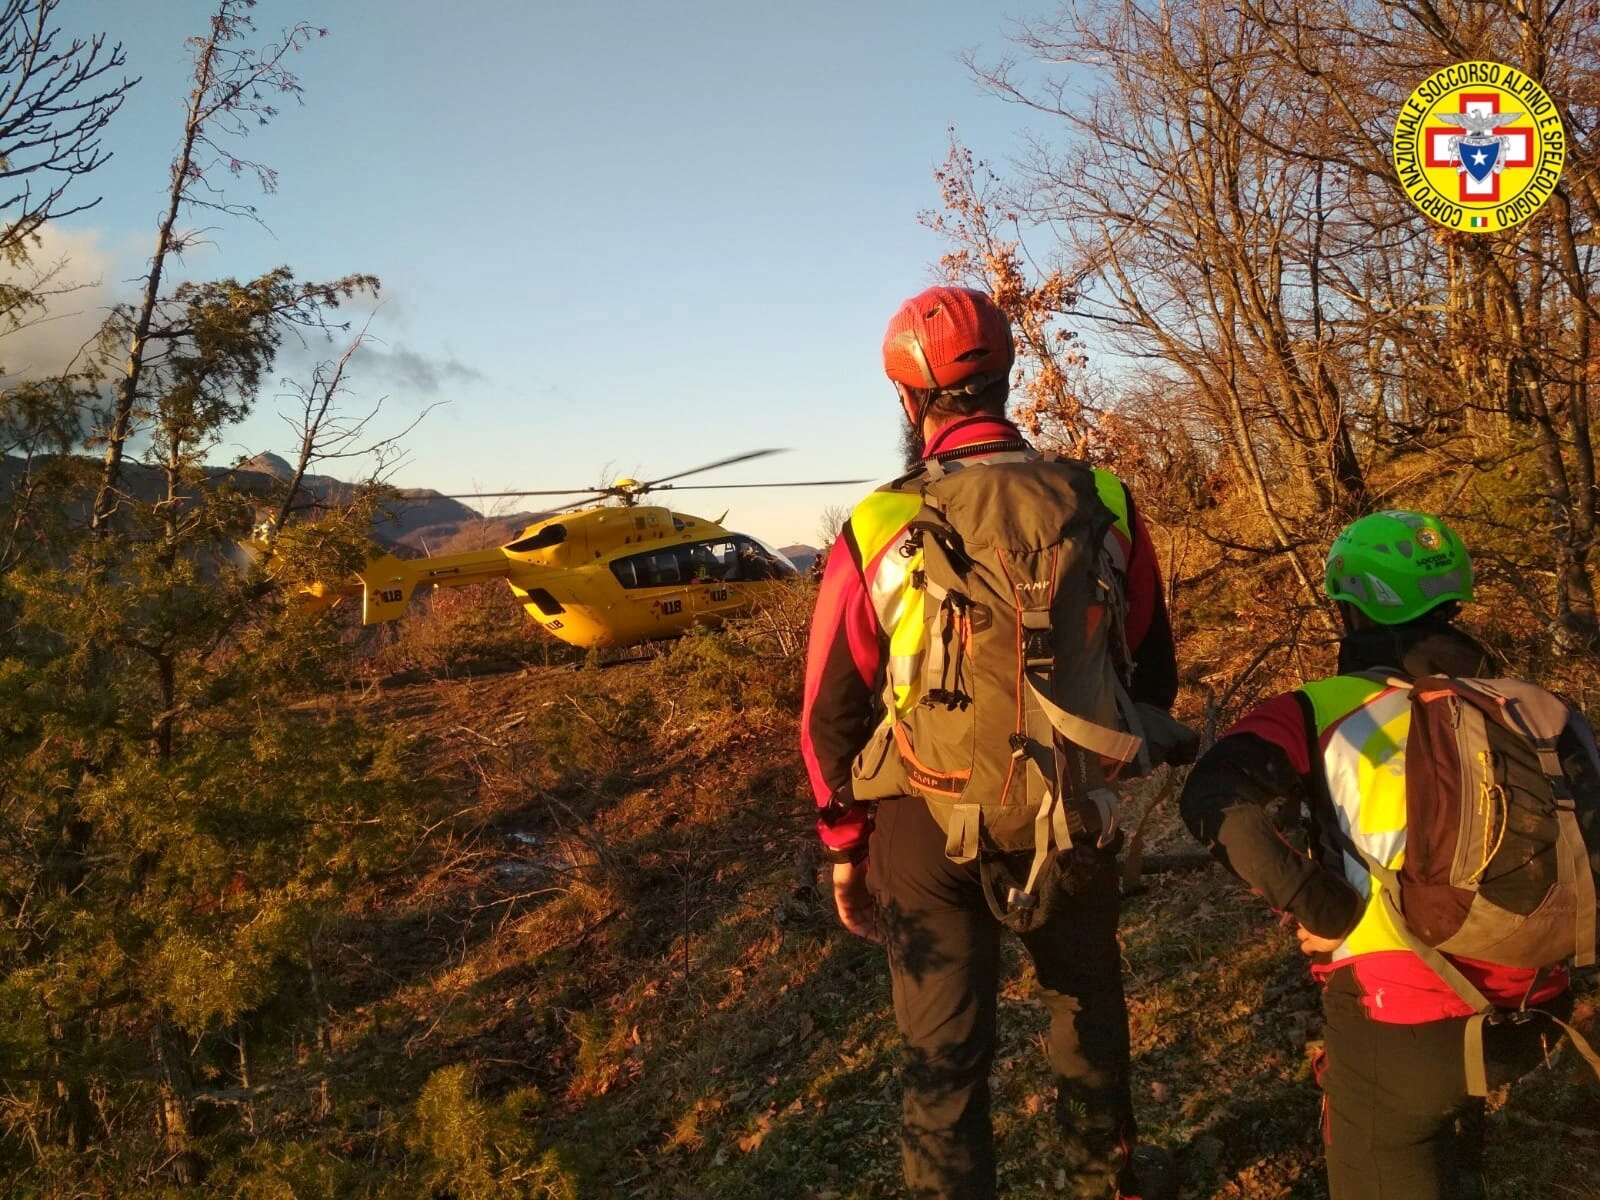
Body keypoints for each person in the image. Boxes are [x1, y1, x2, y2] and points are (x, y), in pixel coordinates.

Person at [801, 285, 1181, 1200]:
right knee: (1086, 1009)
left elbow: (829, 716)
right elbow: (1153, 671)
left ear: (907, 400)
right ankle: (1107, 1181)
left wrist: (847, 848)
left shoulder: (876, 524)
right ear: (1010, 377)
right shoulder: (1105, 499)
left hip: (922, 824)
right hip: (1072, 810)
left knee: (943, 1055)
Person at [1179, 511, 1584, 1200]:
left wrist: (1325, 908)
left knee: (1384, 1154)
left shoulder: (1318, 708)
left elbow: (1212, 800)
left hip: (1405, 1022)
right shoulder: (1533, 707)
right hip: (1541, 1005)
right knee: (1451, 1153)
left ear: (1349, 608)